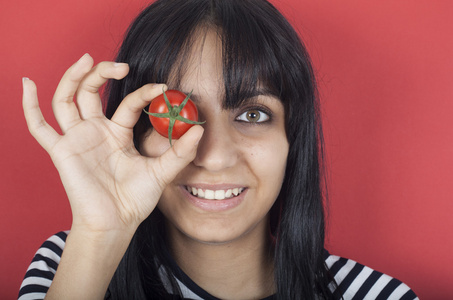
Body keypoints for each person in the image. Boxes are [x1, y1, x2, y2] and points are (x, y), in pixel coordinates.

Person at [19, 0, 418, 299]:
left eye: (253, 115)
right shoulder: (70, 265)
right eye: (175, 116)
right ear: (134, 135)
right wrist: (101, 234)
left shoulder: (375, 295)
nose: (214, 156)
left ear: (291, 140)